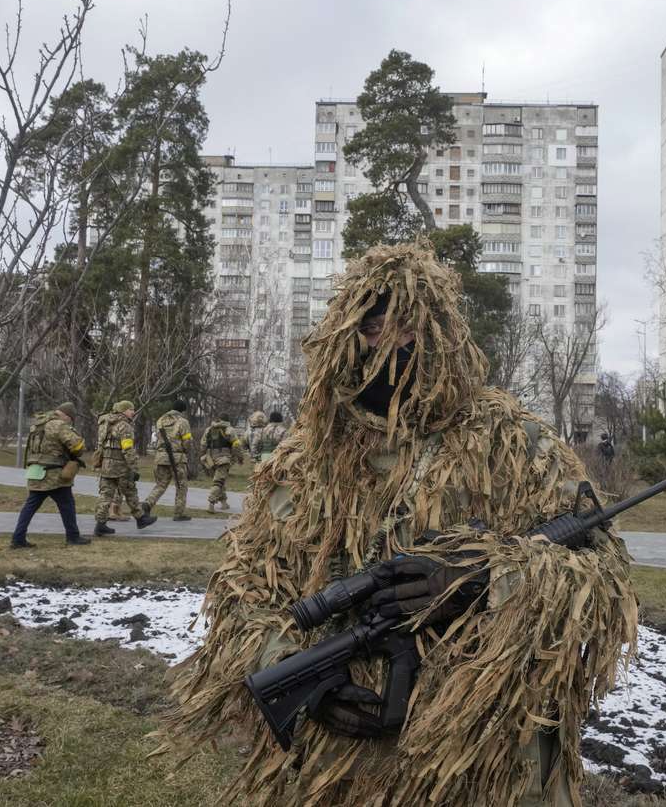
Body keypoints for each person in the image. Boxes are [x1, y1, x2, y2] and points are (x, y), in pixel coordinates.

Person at [161, 243, 637, 806]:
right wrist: (290, 666)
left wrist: (491, 578)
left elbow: (602, 576)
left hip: (477, 762)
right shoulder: (306, 458)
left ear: (441, 334)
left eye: (406, 327)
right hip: (335, 767)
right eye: (372, 327)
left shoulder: (512, 441)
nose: (389, 343)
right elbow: (242, 590)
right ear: (345, 336)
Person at [10, 401, 90, 548]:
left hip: (36, 471)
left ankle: (18, 538)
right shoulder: (58, 425)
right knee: (67, 505)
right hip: (54, 474)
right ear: (66, 415)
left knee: (30, 506)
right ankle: (73, 537)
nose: (70, 421)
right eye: (71, 419)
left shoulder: (38, 424)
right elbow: (77, 446)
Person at [92, 400, 157, 536]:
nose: (133, 412)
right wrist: (133, 468)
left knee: (105, 495)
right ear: (123, 411)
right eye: (130, 409)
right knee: (130, 492)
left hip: (106, 466)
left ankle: (100, 524)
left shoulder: (105, 424)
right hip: (121, 467)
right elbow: (127, 450)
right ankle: (141, 519)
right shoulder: (124, 426)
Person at [143, 399, 193, 522]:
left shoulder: (160, 420)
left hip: (160, 457)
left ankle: (147, 504)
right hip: (177, 458)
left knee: (161, 484)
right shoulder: (183, 422)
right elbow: (187, 441)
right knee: (181, 486)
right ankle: (178, 513)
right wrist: (185, 451)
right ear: (182, 410)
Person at [200, 415, 241, 513]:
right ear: (228, 420)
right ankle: (211, 503)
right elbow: (236, 445)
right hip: (224, 459)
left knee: (220, 480)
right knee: (218, 482)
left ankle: (224, 503)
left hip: (211, 459)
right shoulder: (230, 430)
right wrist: (238, 457)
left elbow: (203, 445)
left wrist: (203, 455)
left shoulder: (209, 429)